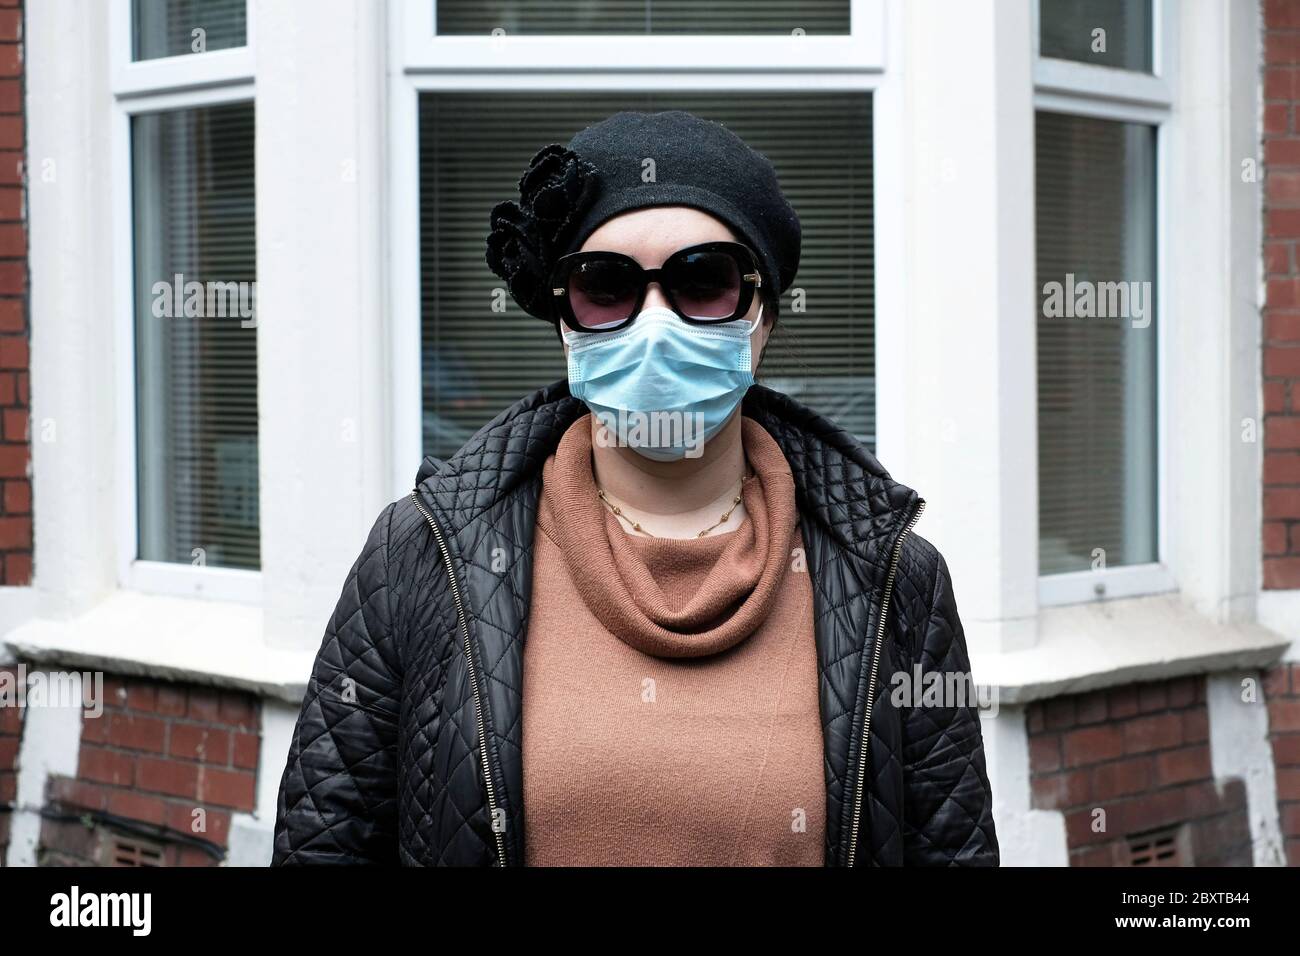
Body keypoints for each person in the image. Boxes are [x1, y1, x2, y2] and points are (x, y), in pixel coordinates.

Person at [271, 109, 999, 866]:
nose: (654, 326)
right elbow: (324, 845)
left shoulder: (893, 578)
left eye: (703, 281)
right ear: (564, 323)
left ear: (765, 316)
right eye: (606, 286)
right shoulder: (420, 555)